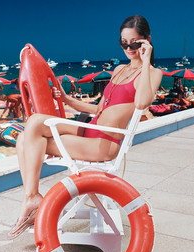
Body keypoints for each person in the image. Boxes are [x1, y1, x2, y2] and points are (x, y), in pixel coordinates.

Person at [8, 15, 162, 239]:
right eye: (123, 42)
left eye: (134, 42)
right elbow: (99, 108)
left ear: (147, 41)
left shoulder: (152, 73)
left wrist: (146, 61)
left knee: (27, 138)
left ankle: (32, 199)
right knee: (31, 126)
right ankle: (31, 197)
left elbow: (142, 103)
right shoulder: (119, 69)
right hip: (91, 130)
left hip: (104, 143)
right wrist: (67, 99)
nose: (128, 47)